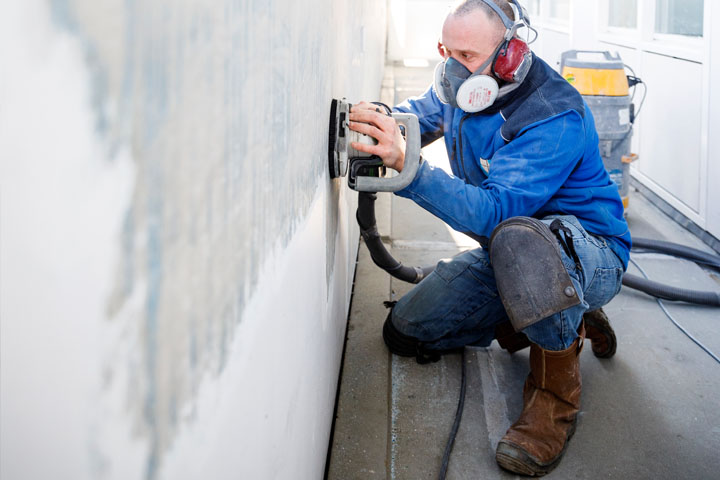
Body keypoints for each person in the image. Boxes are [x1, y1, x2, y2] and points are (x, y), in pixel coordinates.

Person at [347, 0, 630, 476]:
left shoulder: (551, 114)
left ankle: (553, 400)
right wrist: (381, 120)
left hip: (587, 251)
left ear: (511, 52)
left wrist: (408, 169)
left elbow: (495, 212)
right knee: (407, 330)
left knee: (524, 239)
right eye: (448, 52)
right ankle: (564, 311)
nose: (457, 68)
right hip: (512, 255)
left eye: (469, 57)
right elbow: (419, 117)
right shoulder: (461, 84)